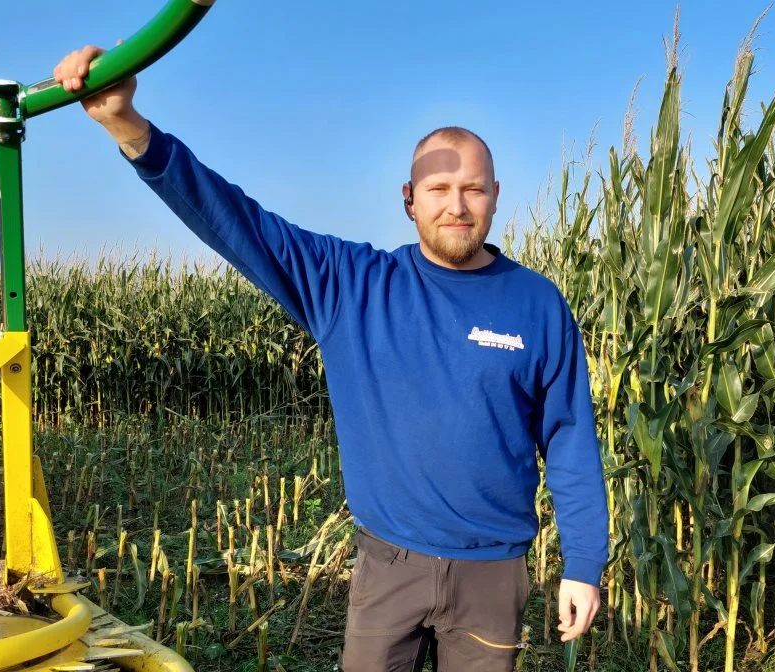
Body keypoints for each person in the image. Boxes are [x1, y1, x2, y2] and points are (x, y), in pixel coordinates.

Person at [53, 44, 609, 672]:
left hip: (492, 575)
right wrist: (127, 126)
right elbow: (235, 220)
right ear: (409, 197)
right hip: (388, 563)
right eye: (439, 188)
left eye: (473, 189)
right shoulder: (350, 285)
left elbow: (568, 437)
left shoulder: (536, 304)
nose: (457, 205)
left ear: (495, 195)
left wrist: (584, 563)